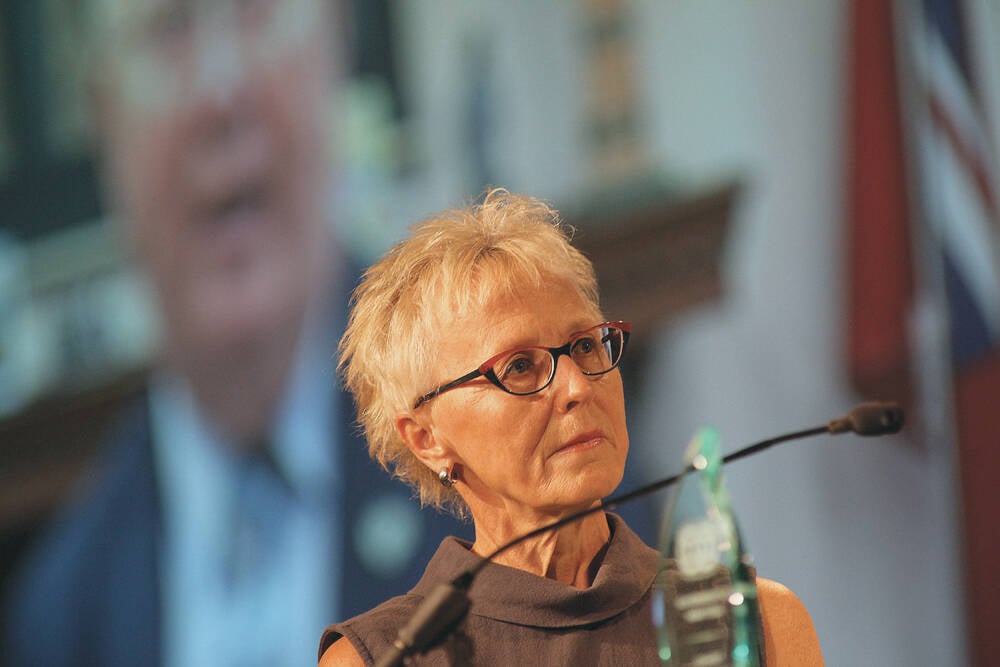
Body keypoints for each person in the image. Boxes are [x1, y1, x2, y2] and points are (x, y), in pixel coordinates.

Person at [2, 1, 467, 665]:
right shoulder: (62, 618)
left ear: (335, 43)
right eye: (169, 29)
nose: (220, 93)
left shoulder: (517, 461)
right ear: (103, 115)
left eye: (256, 13)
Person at [317, 189, 824, 666]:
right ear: (426, 439)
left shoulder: (756, 624)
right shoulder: (382, 658)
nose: (578, 387)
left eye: (585, 346)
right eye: (519, 366)